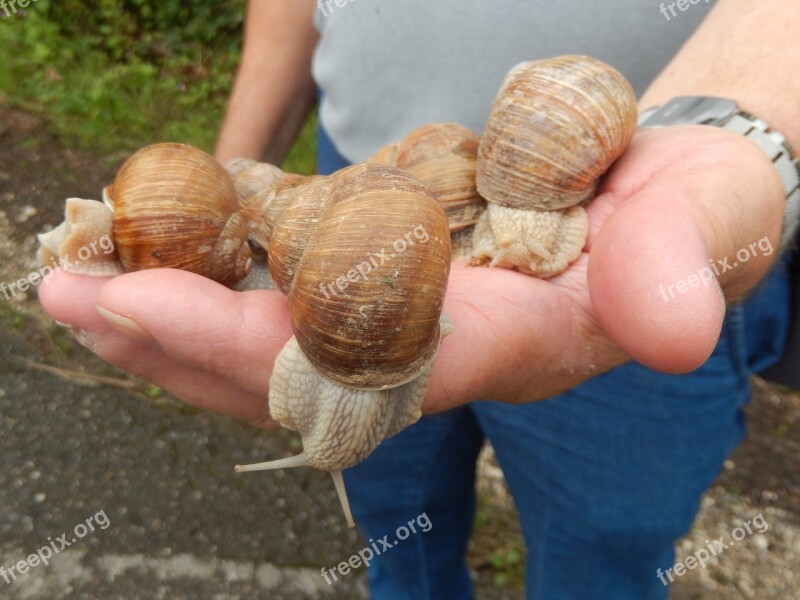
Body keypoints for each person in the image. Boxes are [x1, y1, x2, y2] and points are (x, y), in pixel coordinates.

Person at [39, 0, 800, 597]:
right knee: (396, 512)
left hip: (622, 207)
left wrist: (744, 127)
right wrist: (231, 177)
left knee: (606, 544)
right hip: (354, 178)